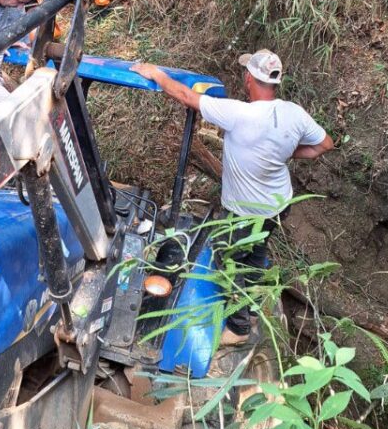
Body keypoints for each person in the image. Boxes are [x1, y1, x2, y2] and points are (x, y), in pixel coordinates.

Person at [130, 50, 334, 345]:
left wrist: (157, 74)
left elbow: (188, 97)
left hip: (245, 211)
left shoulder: (238, 113)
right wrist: (286, 154)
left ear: (249, 78)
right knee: (256, 255)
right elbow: (324, 144)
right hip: (278, 205)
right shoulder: (295, 113)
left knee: (228, 256)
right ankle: (249, 311)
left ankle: (238, 328)